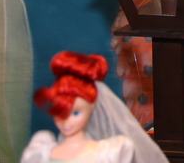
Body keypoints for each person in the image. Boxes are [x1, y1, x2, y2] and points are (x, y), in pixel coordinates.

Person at [21, 51, 166, 163]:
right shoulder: (41, 151)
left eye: (75, 113)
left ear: (91, 107)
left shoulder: (107, 152)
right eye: (60, 112)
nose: (66, 121)